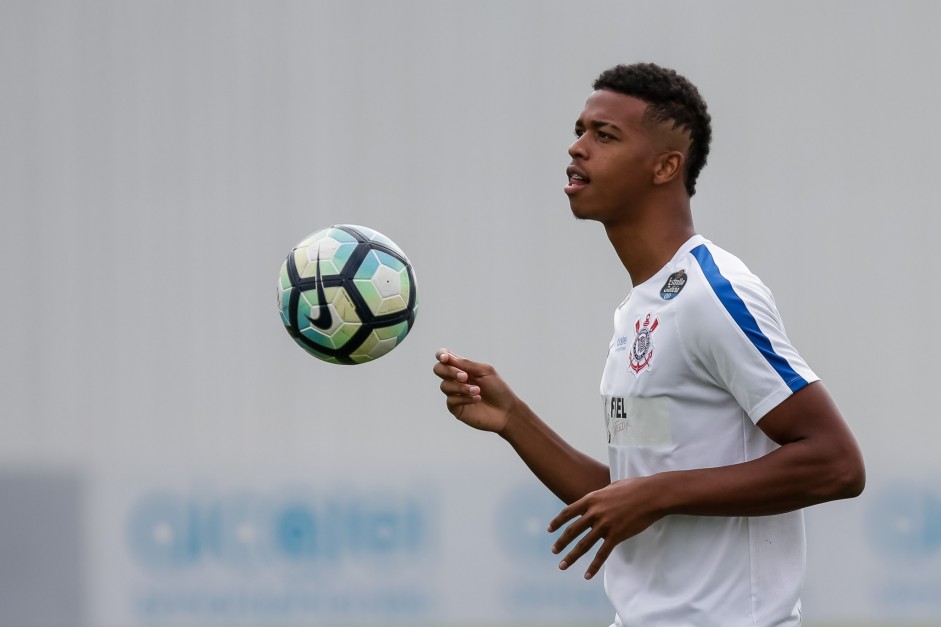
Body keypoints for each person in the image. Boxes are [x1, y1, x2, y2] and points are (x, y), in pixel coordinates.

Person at [432, 62, 865, 627]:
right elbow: (630, 496)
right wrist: (513, 419)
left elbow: (836, 464)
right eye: (581, 130)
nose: (577, 147)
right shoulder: (640, 310)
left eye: (604, 135)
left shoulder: (713, 295)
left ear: (666, 166)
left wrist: (656, 493)